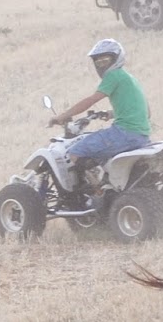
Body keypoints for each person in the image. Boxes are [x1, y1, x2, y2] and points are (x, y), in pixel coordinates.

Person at [49, 39, 152, 206]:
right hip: (142, 136)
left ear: (116, 59)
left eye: (105, 60)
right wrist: (111, 113)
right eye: (98, 61)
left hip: (123, 134)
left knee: (75, 153)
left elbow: (91, 100)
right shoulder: (130, 78)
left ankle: (98, 194)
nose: (101, 65)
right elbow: (147, 112)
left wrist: (63, 115)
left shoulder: (113, 75)